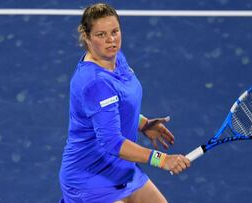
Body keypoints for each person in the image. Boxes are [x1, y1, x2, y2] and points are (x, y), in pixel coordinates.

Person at [59, 3, 190, 203]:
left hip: (123, 170)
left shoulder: (116, 58)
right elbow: (112, 141)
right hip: (89, 180)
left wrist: (143, 123)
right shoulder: (95, 83)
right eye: (101, 35)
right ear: (86, 37)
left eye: (115, 31)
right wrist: (162, 159)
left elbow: (114, 109)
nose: (111, 40)